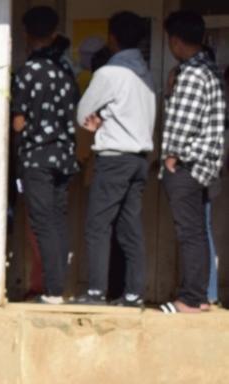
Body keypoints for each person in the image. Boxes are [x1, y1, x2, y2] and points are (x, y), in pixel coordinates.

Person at [74, 11, 156, 307]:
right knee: (130, 229)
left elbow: (83, 111)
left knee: (98, 226)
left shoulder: (109, 73)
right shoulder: (145, 74)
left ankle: (96, 292)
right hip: (139, 159)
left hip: (114, 158)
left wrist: (95, 121)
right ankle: (134, 294)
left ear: (112, 38)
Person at [159, 11, 226, 314]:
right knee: (197, 232)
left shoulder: (192, 74)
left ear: (175, 40)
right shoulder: (207, 69)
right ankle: (198, 297)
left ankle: (188, 298)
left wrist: (172, 157)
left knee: (189, 233)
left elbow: (183, 123)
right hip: (202, 165)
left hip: (186, 165)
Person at [13, 7, 80, 305]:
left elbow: (19, 121)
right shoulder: (66, 69)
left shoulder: (28, 71)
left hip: (37, 157)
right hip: (64, 156)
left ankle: (51, 291)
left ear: (27, 34)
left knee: (42, 224)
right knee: (57, 221)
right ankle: (58, 287)